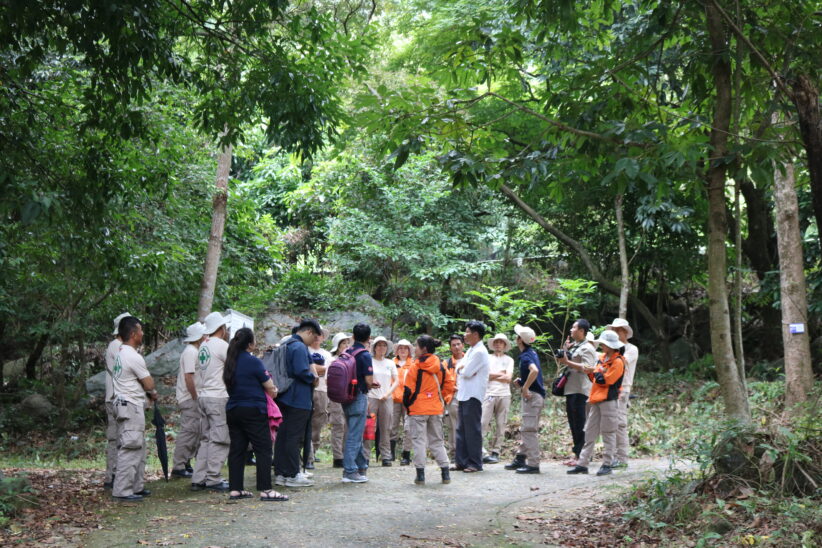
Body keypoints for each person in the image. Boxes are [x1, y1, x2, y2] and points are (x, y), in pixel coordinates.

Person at [222, 328, 289, 502]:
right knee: (263, 448)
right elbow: (269, 385)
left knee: (237, 449)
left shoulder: (230, 361)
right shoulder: (254, 362)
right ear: (250, 344)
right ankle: (266, 489)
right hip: (253, 409)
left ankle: (235, 489)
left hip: (233, 409)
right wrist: (273, 390)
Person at [111, 316, 157, 501]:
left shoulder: (121, 353)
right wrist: (152, 392)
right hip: (130, 405)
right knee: (130, 447)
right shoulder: (131, 355)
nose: (142, 333)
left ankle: (136, 486)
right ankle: (122, 490)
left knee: (137, 446)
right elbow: (148, 383)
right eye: (140, 330)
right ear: (133, 334)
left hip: (126, 404)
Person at [567, 329, 626, 476]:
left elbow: (606, 380)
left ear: (610, 345)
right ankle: (582, 463)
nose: (601, 346)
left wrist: (595, 371)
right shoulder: (602, 358)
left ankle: (607, 464)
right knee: (589, 431)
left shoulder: (618, 361)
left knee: (609, 432)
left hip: (609, 401)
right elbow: (595, 378)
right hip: (595, 399)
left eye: (603, 344)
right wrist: (594, 371)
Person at [274, 319, 321, 487]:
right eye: (314, 337)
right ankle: (293, 474)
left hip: (284, 396)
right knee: (294, 437)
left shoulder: (286, 344)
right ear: (308, 332)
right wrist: (313, 378)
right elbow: (301, 371)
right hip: (298, 398)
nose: (315, 340)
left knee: (283, 436)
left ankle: (281, 473)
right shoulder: (299, 346)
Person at [403, 335, 455, 485]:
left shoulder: (415, 366)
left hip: (418, 409)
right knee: (437, 442)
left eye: (416, 346)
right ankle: (445, 474)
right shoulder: (440, 365)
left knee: (419, 442)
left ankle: (420, 476)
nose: (414, 348)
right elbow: (449, 384)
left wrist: (409, 406)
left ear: (423, 348)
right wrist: (442, 400)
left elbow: (407, 390)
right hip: (435, 408)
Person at [191, 312, 231, 492]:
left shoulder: (203, 346)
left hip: (204, 396)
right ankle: (213, 478)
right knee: (220, 438)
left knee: (206, 438)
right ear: (221, 329)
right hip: (217, 396)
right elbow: (233, 367)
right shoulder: (222, 345)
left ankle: (199, 477)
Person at [504, 324, 545, 474]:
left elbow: (534, 371)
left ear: (520, 340)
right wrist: (522, 382)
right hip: (536, 396)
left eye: (517, 336)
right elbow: (534, 374)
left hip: (532, 397)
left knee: (529, 430)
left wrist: (526, 387)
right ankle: (521, 457)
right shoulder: (531, 353)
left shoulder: (527, 355)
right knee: (527, 429)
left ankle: (533, 464)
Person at [556, 319, 597, 466]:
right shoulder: (577, 346)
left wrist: (567, 362)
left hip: (581, 390)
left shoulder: (588, 348)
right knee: (574, 423)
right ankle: (577, 454)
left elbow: (590, 368)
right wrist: (566, 351)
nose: (571, 330)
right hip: (571, 389)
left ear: (582, 331)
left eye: (574, 328)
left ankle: (583, 456)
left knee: (580, 423)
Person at [340, 323, 375, 484]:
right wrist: (371, 383)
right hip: (358, 396)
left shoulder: (347, 351)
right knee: (354, 435)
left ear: (353, 337)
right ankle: (349, 471)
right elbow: (368, 380)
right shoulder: (365, 355)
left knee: (355, 431)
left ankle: (361, 466)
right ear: (369, 338)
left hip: (345, 396)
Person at [454, 320, 489, 473]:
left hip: (473, 394)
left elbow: (466, 372)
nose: (465, 334)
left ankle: (475, 462)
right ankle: (461, 462)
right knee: (461, 429)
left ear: (475, 334)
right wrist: (462, 369)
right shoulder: (470, 350)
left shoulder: (480, 352)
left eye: (467, 331)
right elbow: (459, 367)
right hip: (464, 393)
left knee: (472, 430)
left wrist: (462, 369)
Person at [171, 322, 205, 478]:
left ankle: (186, 462)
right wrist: (195, 396)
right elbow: (188, 376)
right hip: (189, 396)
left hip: (192, 396)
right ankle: (178, 465)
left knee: (195, 431)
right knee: (189, 431)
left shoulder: (194, 350)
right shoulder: (191, 352)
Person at [103, 311, 130, 489]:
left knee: (122, 438)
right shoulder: (116, 346)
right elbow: (121, 372)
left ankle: (117, 475)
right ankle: (112, 475)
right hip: (115, 398)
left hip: (118, 397)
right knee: (116, 439)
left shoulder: (120, 346)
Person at [607, 318, 639, 469]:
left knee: (620, 424)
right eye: (613, 330)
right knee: (610, 423)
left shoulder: (631, 349)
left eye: (618, 330)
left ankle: (622, 458)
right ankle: (612, 457)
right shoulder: (610, 350)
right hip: (609, 388)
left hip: (623, 389)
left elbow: (620, 363)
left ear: (625, 332)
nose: (615, 333)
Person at [364, 336, 398, 467]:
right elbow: (366, 378)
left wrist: (387, 393)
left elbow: (397, 381)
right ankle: (366, 456)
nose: (381, 348)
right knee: (369, 427)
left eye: (384, 345)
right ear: (374, 347)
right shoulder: (369, 361)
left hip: (387, 398)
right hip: (371, 397)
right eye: (379, 345)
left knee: (386, 428)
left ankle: (386, 456)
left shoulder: (390, 363)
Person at [481, 333, 514, 465]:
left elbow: (508, 378)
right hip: (488, 393)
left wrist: (493, 375)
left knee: (501, 424)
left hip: (504, 394)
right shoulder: (487, 358)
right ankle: (481, 451)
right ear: (493, 344)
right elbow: (485, 376)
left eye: (501, 342)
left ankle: (496, 451)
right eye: (496, 342)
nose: (498, 344)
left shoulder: (509, 359)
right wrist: (501, 373)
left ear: (505, 345)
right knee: (483, 422)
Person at [307, 330, 333, 470]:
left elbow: (328, 371)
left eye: (320, 334)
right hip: (306, 390)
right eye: (315, 333)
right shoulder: (305, 350)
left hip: (322, 390)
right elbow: (315, 369)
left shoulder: (327, 354)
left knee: (318, 423)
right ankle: (307, 455)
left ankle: (313, 452)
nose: (317, 336)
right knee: (304, 422)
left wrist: (315, 369)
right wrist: (320, 369)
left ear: (323, 338)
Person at [327, 332, 351, 468]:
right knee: (338, 425)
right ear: (337, 346)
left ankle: (345, 454)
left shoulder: (350, 360)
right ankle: (337, 457)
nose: (346, 346)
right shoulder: (332, 360)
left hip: (348, 396)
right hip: (335, 396)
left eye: (347, 343)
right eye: (343, 343)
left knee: (347, 425)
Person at [391, 339, 414, 465]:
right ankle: (390, 454)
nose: (403, 350)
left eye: (406, 348)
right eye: (401, 348)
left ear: (409, 350)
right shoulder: (391, 364)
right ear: (397, 350)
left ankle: (406, 454)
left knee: (408, 428)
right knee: (392, 427)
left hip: (409, 400)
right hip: (393, 400)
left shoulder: (414, 364)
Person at [442, 334, 464, 460]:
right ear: (450, 348)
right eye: (453, 345)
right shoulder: (446, 363)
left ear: (463, 345)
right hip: (453, 397)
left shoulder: (470, 359)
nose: (456, 347)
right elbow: (443, 381)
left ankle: (465, 451)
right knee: (453, 425)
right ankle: (455, 453)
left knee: (467, 425)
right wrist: (454, 388)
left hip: (468, 396)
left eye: (458, 344)